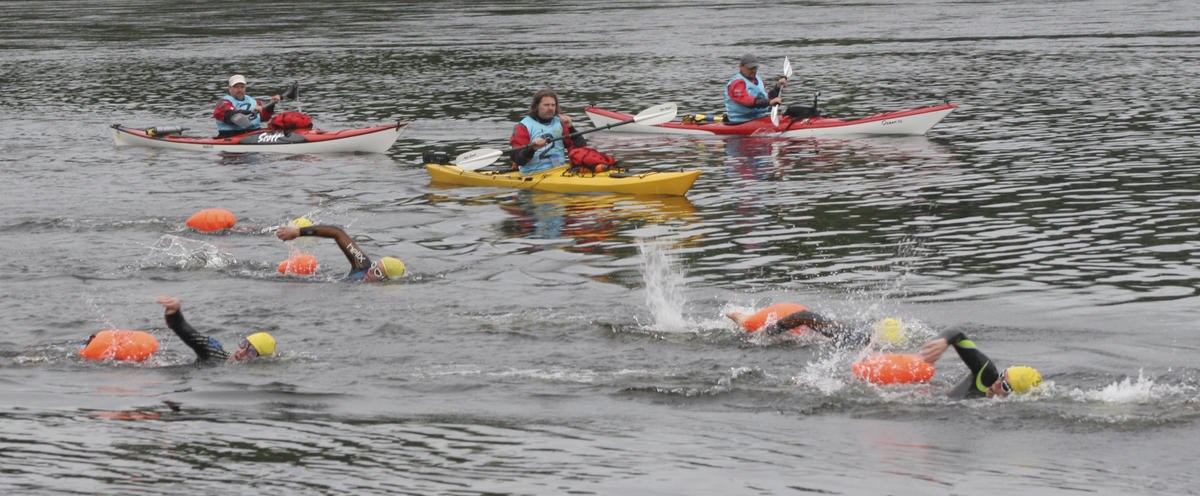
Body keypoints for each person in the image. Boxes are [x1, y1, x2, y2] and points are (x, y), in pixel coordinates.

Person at [919, 330, 1042, 399]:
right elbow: (959, 335)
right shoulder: (987, 375)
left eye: (1005, 386)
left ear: (1016, 396)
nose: (998, 382)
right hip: (922, 393)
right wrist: (944, 341)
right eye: (1002, 375)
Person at [156, 296, 275, 363]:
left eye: (251, 352)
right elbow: (192, 336)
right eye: (244, 344)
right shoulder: (217, 353)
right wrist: (175, 315)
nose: (241, 352)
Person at [726, 303, 907, 347]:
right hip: (788, 316)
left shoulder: (857, 340)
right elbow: (804, 316)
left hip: (797, 321)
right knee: (747, 324)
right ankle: (737, 315)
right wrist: (770, 332)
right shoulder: (845, 336)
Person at [274, 224, 405, 282]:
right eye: (375, 265)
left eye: (377, 272)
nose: (371, 270)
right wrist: (298, 232)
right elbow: (337, 233)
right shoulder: (363, 265)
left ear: (385, 281)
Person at [509, 88, 587, 175]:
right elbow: (517, 159)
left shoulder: (561, 123)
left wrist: (571, 128)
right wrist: (532, 148)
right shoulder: (523, 126)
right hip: (534, 174)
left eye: (553, 105)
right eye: (546, 105)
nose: (550, 108)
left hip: (560, 171)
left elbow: (582, 147)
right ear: (536, 106)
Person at [724, 54, 787, 124]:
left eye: (755, 67)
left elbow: (766, 98)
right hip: (740, 121)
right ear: (741, 66)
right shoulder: (737, 83)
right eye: (750, 68)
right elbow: (747, 102)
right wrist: (769, 103)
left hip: (759, 118)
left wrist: (777, 87)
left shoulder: (758, 80)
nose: (753, 71)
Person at [213, 74, 281, 138]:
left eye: (242, 87)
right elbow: (232, 116)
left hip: (254, 134)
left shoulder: (254, 102)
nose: (240, 90)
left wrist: (271, 104)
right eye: (236, 87)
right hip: (231, 135)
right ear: (230, 88)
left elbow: (264, 118)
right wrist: (250, 112)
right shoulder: (223, 103)